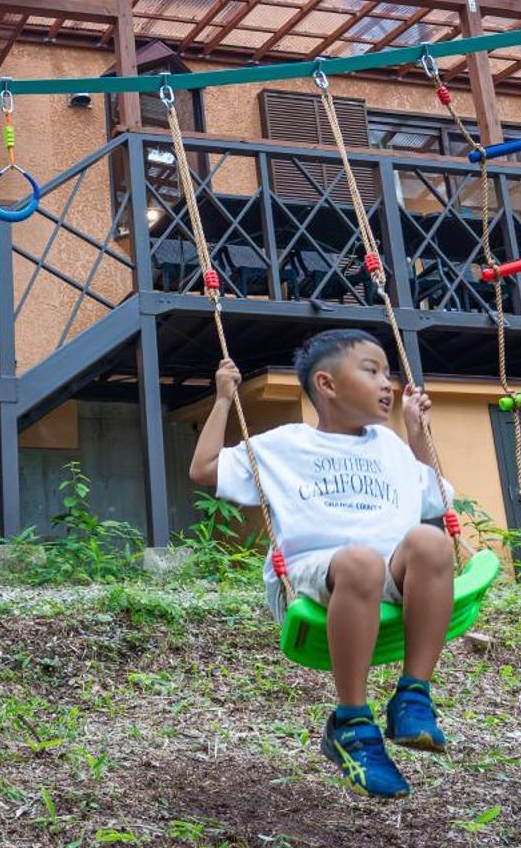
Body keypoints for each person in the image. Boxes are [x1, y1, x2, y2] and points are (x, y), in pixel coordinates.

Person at [189, 329, 455, 799]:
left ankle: (413, 696)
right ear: (327, 385)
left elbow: (437, 496)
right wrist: (223, 401)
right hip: (312, 577)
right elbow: (204, 469)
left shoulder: (390, 445)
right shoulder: (285, 444)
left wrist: (416, 433)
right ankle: (351, 724)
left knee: (432, 543)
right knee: (360, 561)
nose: (387, 384)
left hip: (388, 573)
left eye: (387, 373)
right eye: (371, 371)